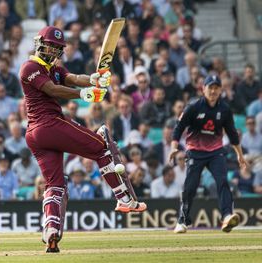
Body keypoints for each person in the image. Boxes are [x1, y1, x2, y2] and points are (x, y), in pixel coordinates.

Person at [19, 26, 147, 253]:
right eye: (50, 45)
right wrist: (83, 95)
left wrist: (94, 80)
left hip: (36, 136)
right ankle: (123, 198)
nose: (53, 50)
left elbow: (73, 78)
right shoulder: (30, 67)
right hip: (48, 124)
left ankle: (51, 230)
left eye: (57, 48)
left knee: (55, 185)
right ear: (39, 44)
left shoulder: (53, 67)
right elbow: (53, 90)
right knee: (100, 146)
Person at [169, 75, 248, 234]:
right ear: (203, 89)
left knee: (222, 182)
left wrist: (240, 155)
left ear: (220, 90)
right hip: (195, 151)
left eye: (216, 88)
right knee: (190, 187)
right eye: (210, 87)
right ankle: (182, 220)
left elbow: (232, 134)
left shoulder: (224, 109)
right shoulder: (193, 106)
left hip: (215, 152)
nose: (213, 91)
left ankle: (226, 216)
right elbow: (179, 128)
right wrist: (173, 147)